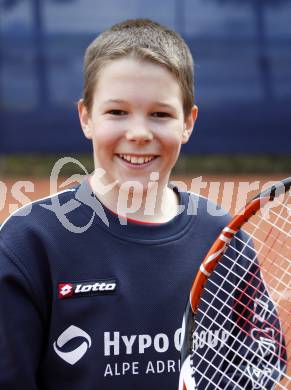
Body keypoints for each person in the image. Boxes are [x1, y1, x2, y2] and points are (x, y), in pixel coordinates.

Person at [0, 19, 285, 390]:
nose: (138, 133)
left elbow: (261, 357)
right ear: (86, 117)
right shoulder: (29, 242)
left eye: (161, 114)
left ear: (188, 122)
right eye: (117, 112)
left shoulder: (222, 238)